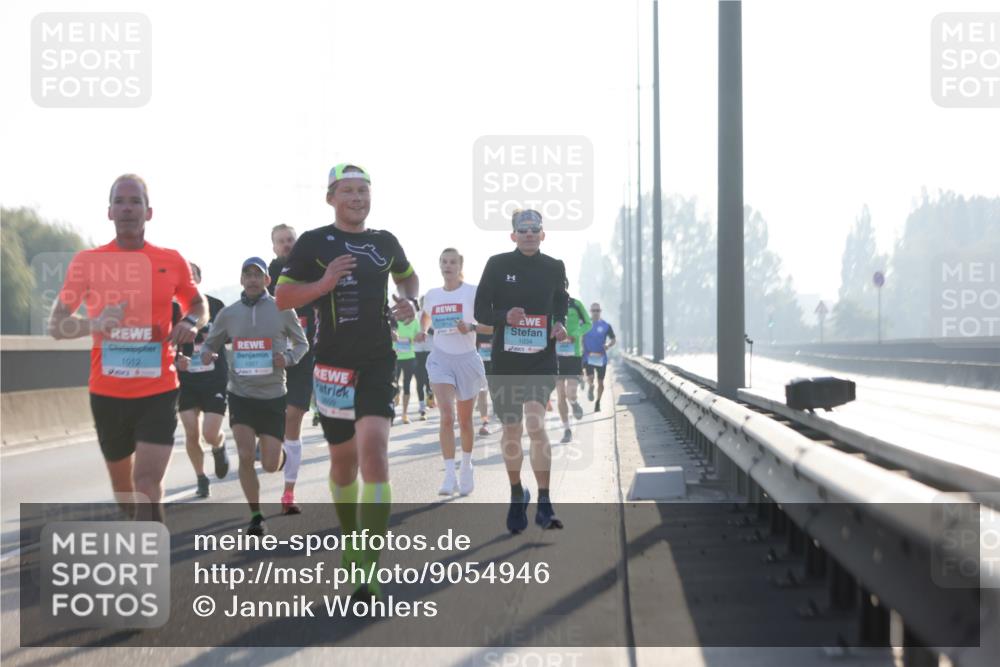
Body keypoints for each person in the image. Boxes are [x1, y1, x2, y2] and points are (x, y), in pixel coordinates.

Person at [275, 163, 418, 601]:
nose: (357, 198)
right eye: (348, 191)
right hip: (332, 365)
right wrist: (324, 282)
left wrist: (410, 300)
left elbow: (407, 275)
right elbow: (282, 296)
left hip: (377, 361)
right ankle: (352, 537)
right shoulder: (315, 243)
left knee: (374, 451)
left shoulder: (384, 241)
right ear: (331, 198)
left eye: (364, 191)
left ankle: (367, 567)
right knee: (343, 464)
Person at [49, 174, 207, 522]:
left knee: (146, 485)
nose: (127, 208)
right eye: (120, 201)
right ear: (109, 212)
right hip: (107, 393)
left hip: (158, 390)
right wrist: (96, 323)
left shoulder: (171, 260)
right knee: (126, 497)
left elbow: (197, 304)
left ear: (148, 212)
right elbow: (57, 325)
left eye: (135, 202)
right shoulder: (88, 262)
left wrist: (189, 322)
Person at [474, 208, 568, 534]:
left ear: (543, 234)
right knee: (512, 430)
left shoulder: (554, 267)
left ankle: (545, 501)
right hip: (505, 362)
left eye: (534, 229)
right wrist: (504, 316)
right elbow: (480, 310)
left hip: (541, 360)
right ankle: (517, 493)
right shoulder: (498, 264)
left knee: (534, 421)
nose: (528, 233)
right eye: (522, 229)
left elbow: (561, 301)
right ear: (512, 234)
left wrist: (559, 323)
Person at [201, 257, 308, 536]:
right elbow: (209, 344)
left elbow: (302, 343)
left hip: (273, 395)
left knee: (271, 464)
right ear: (241, 280)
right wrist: (207, 354)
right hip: (241, 395)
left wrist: (287, 358)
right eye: (247, 275)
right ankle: (256, 516)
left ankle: (282, 455)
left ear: (266, 280)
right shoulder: (229, 313)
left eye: (257, 275)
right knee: (246, 455)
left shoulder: (282, 309)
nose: (252, 279)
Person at [420, 248, 489, 496]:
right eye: (444, 262)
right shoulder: (432, 294)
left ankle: (466, 466)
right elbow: (426, 316)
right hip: (440, 358)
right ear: (439, 265)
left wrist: (470, 327)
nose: (447, 266)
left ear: (460, 265)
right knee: (446, 416)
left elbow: (490, 327)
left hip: (467, 359)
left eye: (452, 262)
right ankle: (449, 474)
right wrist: (423, 330)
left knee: (465, 420)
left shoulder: (472, 292)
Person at [268, 223, 316, 514]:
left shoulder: (312, 272)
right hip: (270, 361)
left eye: (290, 240)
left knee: (293, 418)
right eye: (280, 241)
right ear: (273, 246)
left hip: (304, 356)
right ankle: (277, 453)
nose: (286, 245)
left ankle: (288, 492)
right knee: (276, 430)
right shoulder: (264, 276)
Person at [173, 263, 229, 498]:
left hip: (214, 379)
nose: (189, 280)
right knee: (191, 432)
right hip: (187, 381)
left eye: (192, 275)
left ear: (199, 279)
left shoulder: (216, 306)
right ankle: (201, 478)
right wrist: (176, 360)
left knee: (209, 433)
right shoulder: (172, 310)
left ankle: (218, 445)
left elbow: (231, 337)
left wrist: (213, 347)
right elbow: (164, 345)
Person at [555, 283, 592, 443]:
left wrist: (575, 334)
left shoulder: (576, 304)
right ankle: (567, 429)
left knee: (570, 393)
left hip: (573, 354)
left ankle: (575, 403)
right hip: (556, 356)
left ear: (566, 286)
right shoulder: (549, 304)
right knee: (560, 394)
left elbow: (588, 324)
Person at [582, 303, 616, 412]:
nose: (596, 312)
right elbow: (579, 337)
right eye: (594, 310)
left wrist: (608, 345)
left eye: (597, 310)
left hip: (601, 357)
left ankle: (598, 402)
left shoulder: (606, 325)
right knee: (590, 378)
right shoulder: (585, 324)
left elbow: (613, 339)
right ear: (590, 311)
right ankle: (591, 387)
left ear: (600, 311)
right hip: (588, 356)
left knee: (601, 383)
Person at [393, 316, 420, 424]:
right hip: (395, 356)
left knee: (407, 385)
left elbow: (418, 337)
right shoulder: (393, 321)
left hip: (409, 357)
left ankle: (404, 414)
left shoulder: (414, 321)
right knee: (393, 384)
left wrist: (411, 340)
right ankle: (393, 409)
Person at [413, 298, 433, 421]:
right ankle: (421, 405)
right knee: (419, 379)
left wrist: (427, 330)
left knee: (429, 379)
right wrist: (417, 334)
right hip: (417, 351)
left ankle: (430, 397)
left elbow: (437, 332)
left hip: (430, 351)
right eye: (423, 303)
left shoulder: (432, 316)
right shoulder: (415, 317)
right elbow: (411, 333)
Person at [475, 331, 493, 436]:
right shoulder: (475, 324)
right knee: (482, 393)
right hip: (481, 363)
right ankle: (485, 422)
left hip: (498, 362)